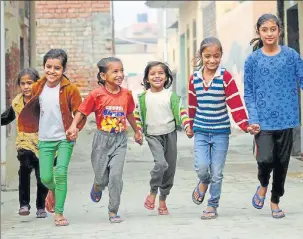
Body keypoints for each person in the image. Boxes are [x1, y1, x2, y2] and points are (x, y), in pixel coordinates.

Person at [66, 57, 143, 223]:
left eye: (121, 70)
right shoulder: (96, 94)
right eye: (115, 71)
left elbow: (129, 113)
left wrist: (137, 132)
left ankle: (113, 211)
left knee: (115, 177)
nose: (120, 74)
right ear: (102, 76)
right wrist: (73, 126)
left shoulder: (127, 95)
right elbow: (82, 112)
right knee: (102, 178)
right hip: (102, 140)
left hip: (120, 140)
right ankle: (97, 185)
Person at [244, 13, 303, 219]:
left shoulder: (291, 56)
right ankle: (262, 184)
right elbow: (248, 92)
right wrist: (253, 118)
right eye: (265, 30)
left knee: (282, 164)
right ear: (258, 32)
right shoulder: (252, 60)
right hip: (262, 120)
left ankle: (275, 200)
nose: (269, 33)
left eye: (273, 29)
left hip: (287, 118)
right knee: (266, 159)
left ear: (280, 31)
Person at [18, 49, 85, 226]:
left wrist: (74, 126)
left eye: (57, 68)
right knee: (46, 178)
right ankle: (53, 191)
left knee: (60, 172)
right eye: (48, 67)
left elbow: (80, 110)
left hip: (65, 137)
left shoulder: (70, 89)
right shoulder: (38, 87)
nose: (52, 71)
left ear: (63, 69)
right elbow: (27, 104)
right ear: (44, 67)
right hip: (45, 137)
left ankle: (59, 213)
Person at [188, 37, 250, 219]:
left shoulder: (226, 77)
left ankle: (212, 205)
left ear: (221, 56)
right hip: (200, 130)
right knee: (202, 167)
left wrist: (245, 125)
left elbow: (235, 104)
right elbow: (192, 105)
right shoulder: (195, 79)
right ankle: (202, 182)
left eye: (216, 56)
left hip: (221, 132)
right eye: (207, 56)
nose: (212, 60)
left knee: (217, 172)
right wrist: (190, 126)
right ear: (201, 55)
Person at [134, 61, 193, 215]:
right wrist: (138, 132)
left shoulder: (171, 96)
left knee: (170, 169)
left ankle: (163, 201)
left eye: (161, 73)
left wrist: (187, 127)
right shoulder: (142, 98)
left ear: (167, 77)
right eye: (152, 74)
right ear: (146, 78)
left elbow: (182, 112)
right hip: (153, 135)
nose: (157, 76)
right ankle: (153, 192)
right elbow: (137, 117)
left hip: (170, 134)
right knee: (161, 164)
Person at [1, 68, 48, 218]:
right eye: (23, 83)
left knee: (43, 177)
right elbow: (6, 117)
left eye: (30, 83)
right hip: (24, 143)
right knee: (24, 170)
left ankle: (41, 207)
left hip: (42, 143)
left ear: (37, 84)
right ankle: (24, 204)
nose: (26, 86)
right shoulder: (16, 103)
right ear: (19, 86)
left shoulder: (43, 100)